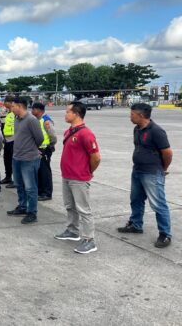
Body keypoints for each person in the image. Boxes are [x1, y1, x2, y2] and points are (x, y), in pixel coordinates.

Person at [117, 103, 173, 248]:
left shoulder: (156, 131)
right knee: (135, 199)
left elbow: (167, 153)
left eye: (132, 114)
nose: (130, 117)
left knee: (158, 204)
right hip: (137, 170)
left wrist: (163, 168)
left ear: (141, 115)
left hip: (152, 173)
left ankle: (165, 234)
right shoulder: (137, 129)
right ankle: (136, 225)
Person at [54, 101, 101, 254]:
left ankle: (89, 240)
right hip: (67, 175)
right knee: (70, 206)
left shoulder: (85, 133)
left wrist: (87, 171)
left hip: (79, 177)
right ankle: (72, 231)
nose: (65, 114)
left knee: (83, 209)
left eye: (68, 111)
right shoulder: (69, 131)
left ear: (76, 114)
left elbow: (96, 157)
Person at [6, 97, 44, 224]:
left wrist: (31, 149)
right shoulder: (17, 119)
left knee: (30, 187)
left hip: (29, 159)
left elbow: (40, 139)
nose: (11, 109)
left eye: (13, 106)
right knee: (19, 185)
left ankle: (32, 212)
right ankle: (22, 206)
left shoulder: (31, 120)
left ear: (19, 106)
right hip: (17, 157)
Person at [31, 102, 57, 201]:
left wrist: (49, 147)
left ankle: (47, 193)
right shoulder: (37, 120)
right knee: (39, 171)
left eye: (33, 109)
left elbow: (53, 136)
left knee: (45, 171)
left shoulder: (46, 121)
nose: (32, 111)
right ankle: (40, 191)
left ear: (39, 110)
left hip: (44, 150)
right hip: (38, 150)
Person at [1, 96, 15, 187]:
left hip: (14, 140)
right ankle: (8, 177)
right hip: (7, 140)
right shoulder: (8, 112)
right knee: (7, 159)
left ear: (10, 102)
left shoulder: (15, 113)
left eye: (5, 102)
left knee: (13, 161)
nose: (4, 104)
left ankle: (16, 180)